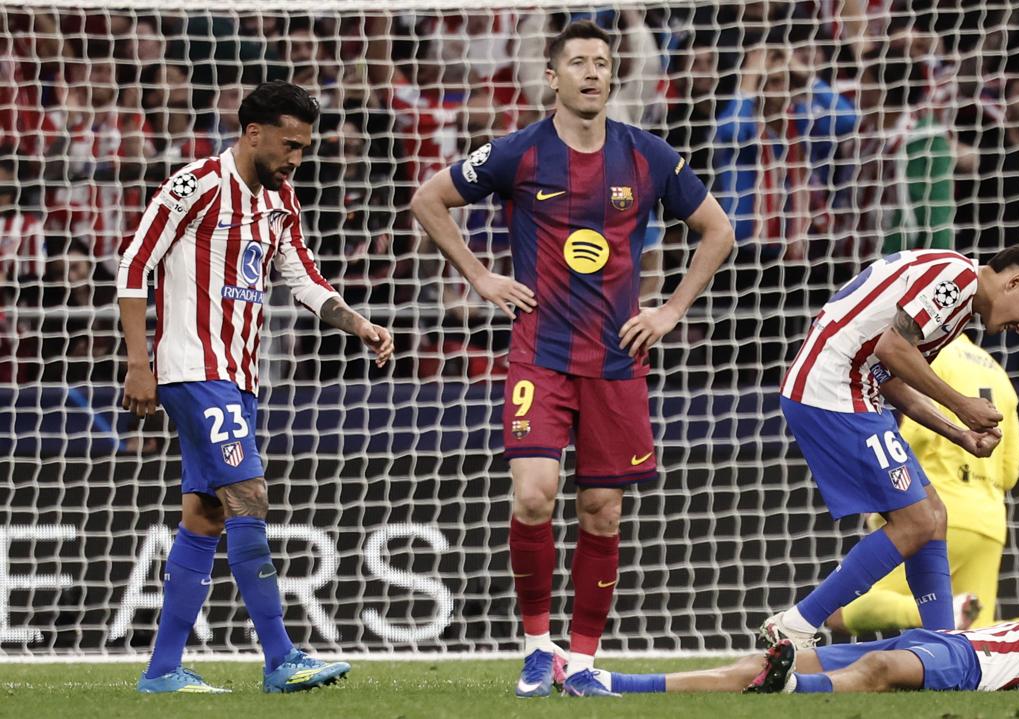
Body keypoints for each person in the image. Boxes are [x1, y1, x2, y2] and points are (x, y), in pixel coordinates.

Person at [410, 20, 734, 698]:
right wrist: (480, 277)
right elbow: (429, 199)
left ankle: (582, 662)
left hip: (617, 361)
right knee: (534, 496)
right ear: (552, 76)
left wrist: (670, 310)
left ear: (613, 76)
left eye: (602, 63)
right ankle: (538, 649)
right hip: (541, 355)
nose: (592, 72)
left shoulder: (647, 155)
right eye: (579, 62)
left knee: (601, 512)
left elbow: (718, 230)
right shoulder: (520, 151)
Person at [116, 80, 394, 694]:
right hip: (195, 370)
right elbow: (134, 263)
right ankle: (280, 657)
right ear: (253, 133)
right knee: (249, 496)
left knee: (206, 514)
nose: (297, 158)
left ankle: (162, 671)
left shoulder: (280, 201)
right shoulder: (196, 185)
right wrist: (139, 363)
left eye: (304, 148)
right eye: (289, 145)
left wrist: (358, 323)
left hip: (239, 379)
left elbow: (305, 279)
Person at [763, 246, 1019, 648]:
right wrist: (962, 405)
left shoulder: (957, 307)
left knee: (935, 516)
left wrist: (958, 432)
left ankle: (941, 643)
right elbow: (892, 349)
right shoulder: (956, 278)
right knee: (917, 522)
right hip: (832, 390)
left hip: (856, 391)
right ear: (1015, 282)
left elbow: (890, 375)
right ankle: (797, 624)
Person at [824, 333, 1019, 635]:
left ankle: (938, 609)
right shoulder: (998, 374)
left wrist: (884, 495)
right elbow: (1009, 473)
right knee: (974, 638)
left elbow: (917, 435)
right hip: (988, 521)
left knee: (838, 610)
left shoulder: (931, 359)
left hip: (933, 512)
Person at [595, 612, 1019, 695]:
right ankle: (614, 682)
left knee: (879, 672)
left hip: (975, 669)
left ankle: (790, 689)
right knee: (763, 661)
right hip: (951, 641)